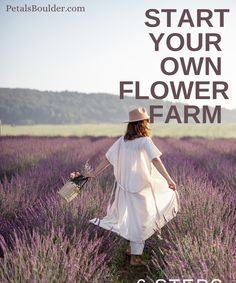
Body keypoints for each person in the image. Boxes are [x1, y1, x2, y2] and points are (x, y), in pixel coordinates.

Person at [70, 107, 180, 266]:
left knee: (130, 218)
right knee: (141, 220)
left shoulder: (123, 141)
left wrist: (94, 173)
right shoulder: (144, 141)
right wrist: (169, 179)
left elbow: (107, 159)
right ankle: (135, 258)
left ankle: (131, 248)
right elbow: (155, 160)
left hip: (124, 187)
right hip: (141, 186)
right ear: (143, 124)